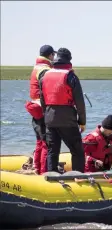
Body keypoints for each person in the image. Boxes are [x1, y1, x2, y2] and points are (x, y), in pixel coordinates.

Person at [39, 47, 86, 173]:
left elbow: (42, 99)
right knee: (77, 151)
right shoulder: (71, 76)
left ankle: (51, 175)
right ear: (69, 61)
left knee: (52, 151)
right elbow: (80, 103)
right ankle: (78, 177)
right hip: (67, 120)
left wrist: (46, 115)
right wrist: (82, 121)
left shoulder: (44, 76)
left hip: (49, 117)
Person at [24, 45, 56, 174]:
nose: (54, 57)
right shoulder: (45, 69)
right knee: (46, 143)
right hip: (42, 109)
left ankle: (36, 167)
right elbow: (48, 87)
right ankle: (43, 171)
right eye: (53, 55)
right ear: (50, 55)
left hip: (35, 108)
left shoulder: (36, 67)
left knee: (40, 141)